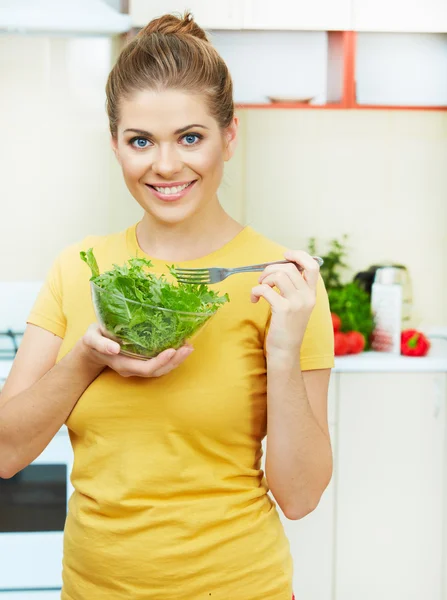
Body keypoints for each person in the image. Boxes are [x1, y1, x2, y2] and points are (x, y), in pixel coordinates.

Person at [0, 12, 334, 600]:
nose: (166, 166)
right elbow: (5, 454)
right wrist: (87, 359)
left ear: (230, 136)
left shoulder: (282, 286)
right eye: (140, 141)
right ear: (115, 145)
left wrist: (283, 352)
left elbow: (301, 497)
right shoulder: (82, 271)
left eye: (190, 137)